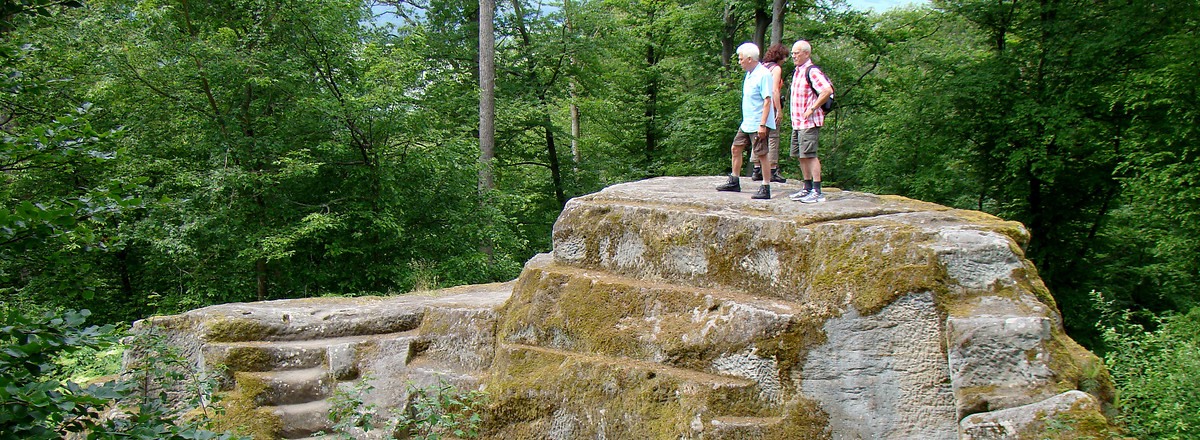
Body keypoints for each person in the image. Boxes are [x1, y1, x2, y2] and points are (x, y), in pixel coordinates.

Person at [717, 42, 776, 200]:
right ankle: (734, 180)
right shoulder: (749, 74)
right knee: (736, 148)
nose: (739, 62)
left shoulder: (763, 74)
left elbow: (767, 100)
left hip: (758, 122)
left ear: (750, 59)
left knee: (761, 154)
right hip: (747, 122)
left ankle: (766, 186)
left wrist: (763, 124)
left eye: (741, 59)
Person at [787, 40, 833, 203]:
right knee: (801, 155)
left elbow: (827, 90)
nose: (794, 56)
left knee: (810, 154)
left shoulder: (812, 71)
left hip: (809, 122)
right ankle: (806, 187)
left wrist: (812, 108)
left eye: (797, 53)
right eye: (792, 53)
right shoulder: (797, 71)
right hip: (797, 122)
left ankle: (817, 190)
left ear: (806, 53)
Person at [752, 43, 787, 184]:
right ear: (779, 56)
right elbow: (774, 90)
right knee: (773, 136)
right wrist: (779, 110)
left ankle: (756, 168)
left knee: (758, 136)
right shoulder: (776, 69)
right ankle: (772, 169)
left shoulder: (761, 67)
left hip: (759, 107)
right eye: (784, 57)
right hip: (770, 106)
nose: (785, 60)